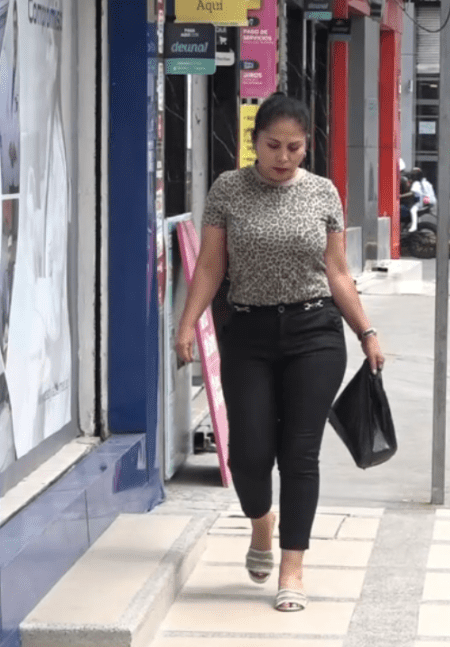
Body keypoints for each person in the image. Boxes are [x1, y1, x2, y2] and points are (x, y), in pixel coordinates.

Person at [174, 92, 385, 613]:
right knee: (248, 454)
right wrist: (187, 322)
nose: (283, 157)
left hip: (315, 332)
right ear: (254, 142)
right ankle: (261, 522)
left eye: (294, 147)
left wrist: (366, 332)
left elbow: (337, 272)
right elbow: (210, 267)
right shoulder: (228, 190)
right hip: (247, 330)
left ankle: (292, 568)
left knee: (300, 453)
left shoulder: (322, 194)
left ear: (306, 146)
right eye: (273, 146)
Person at [408, 167, 436, 232]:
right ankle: (418, 224)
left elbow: (412, 193)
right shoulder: (427, 183)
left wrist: (400, 196)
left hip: (425, 201)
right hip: (432, 201)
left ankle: (414, 227)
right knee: (417, 210)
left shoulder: (416, 183)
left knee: (413, 210)